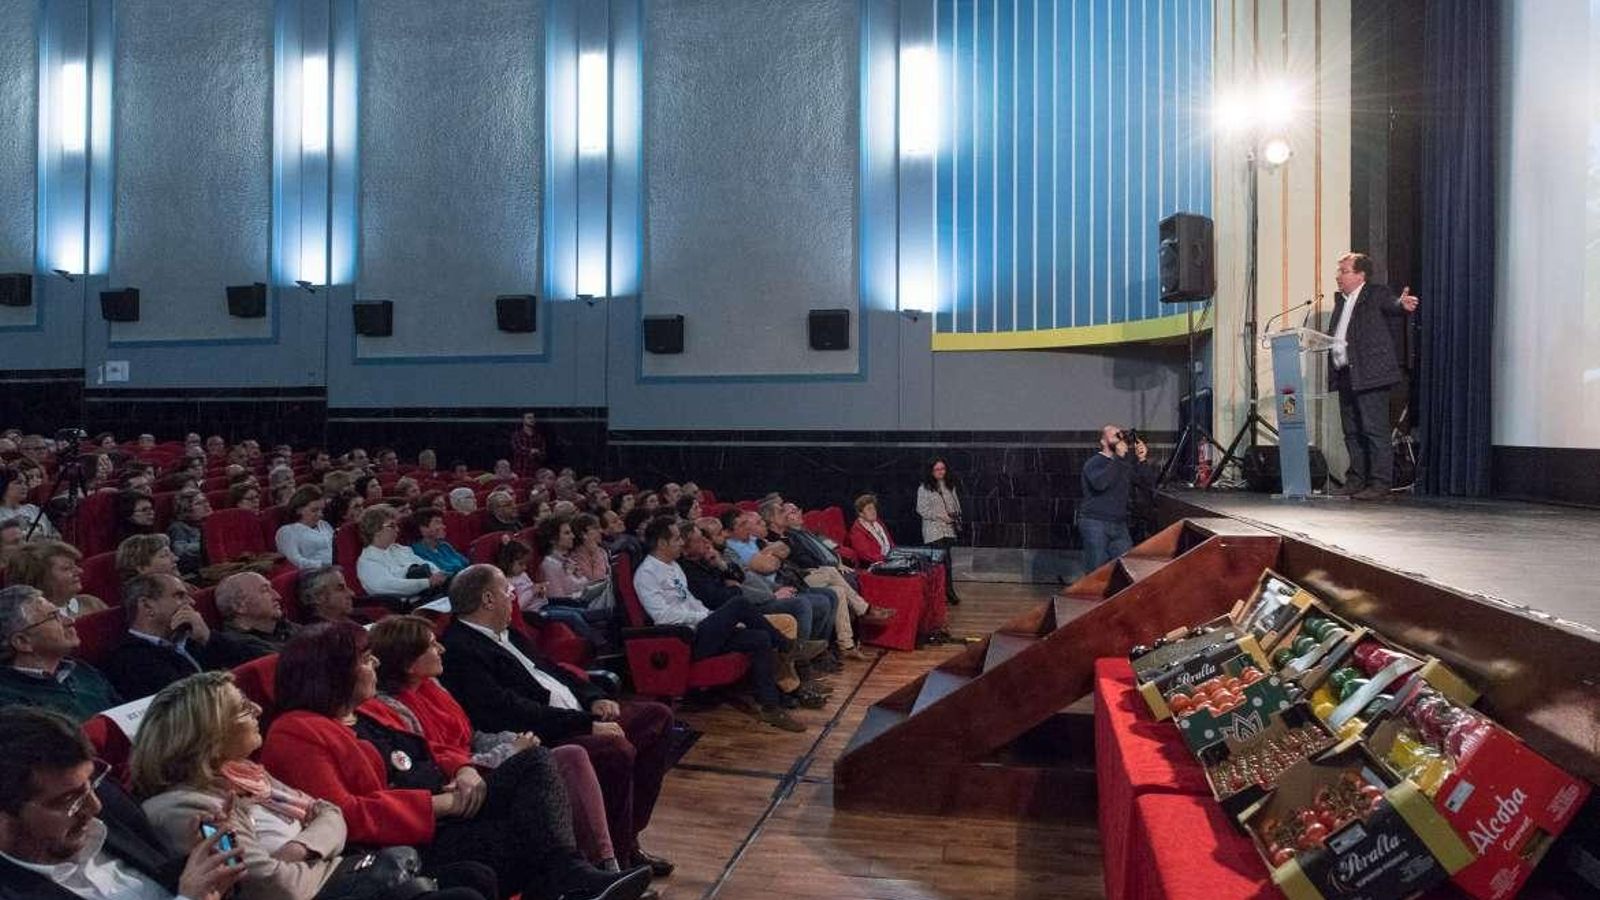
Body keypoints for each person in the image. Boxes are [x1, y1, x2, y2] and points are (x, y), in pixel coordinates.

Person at [261, 623, 650, 900]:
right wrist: (439, 804)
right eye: (365, 660)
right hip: (409, 835)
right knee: (531, 818)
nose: (375, 665)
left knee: (535, 766)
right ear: (332, 673)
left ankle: (571, 875)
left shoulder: (366, 711)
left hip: (448, 802)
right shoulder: (297, 731)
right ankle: (568, 878)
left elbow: (433, 750)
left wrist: (463, 770)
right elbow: (344, 814)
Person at [437, 565, 676, 877]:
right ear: (487, 600)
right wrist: (584, 724)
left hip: (577, 712)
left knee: (656, 717)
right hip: (545, 732)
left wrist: (593, 697)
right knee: (615, 750)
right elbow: (509, 710)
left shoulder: (508, 633)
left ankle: (628, 838)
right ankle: (615, 861)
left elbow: (554, 670)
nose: (513, 599)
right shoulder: (460, 648)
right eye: (507, 593)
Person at [365, 617, 623, 872]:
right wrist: (511, 751)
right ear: (410, 663)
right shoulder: (395, 709)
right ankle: (571, 871)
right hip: (462, 786)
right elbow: (439, 765)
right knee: (543, 761)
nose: (441, 649)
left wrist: (512, 741)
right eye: (433, 645)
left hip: (479, 764)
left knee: (571, 755)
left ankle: (605, 862)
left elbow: (472, 737)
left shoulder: (433, 687)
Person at [0, 707, 248, 900]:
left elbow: (165, 881)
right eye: (69, 801)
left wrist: (197, 864)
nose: (95, 807)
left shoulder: (111, 805)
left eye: (91, 783)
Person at [632, 518, 805, 732]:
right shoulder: (646, 573)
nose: (681, 543)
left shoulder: (673, 565)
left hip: (701, 629)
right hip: (682, 640)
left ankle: (770, 706)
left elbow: (692, 602)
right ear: (661, 543)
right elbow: (662, 616)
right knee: (739, 603)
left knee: (760, 639)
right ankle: (788, 645)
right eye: (676, 539)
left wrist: (716, 618)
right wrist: (707, 619)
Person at [1326, 251, 1421, 500]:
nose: (1339, 276)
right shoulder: (1342, 302)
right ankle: (1356, 480)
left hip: (1371, 376)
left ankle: (1380, 483)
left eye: (1344, 271)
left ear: (1361, 275)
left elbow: (1393, 305)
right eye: (1339, 271)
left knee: (1374, 430)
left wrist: (1402, 304)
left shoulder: (1375, 294)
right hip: (1345, 375)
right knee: (1352, 431)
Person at [0, 585, 121, 720]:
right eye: (54, 617)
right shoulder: (8, 703)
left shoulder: (83, 671)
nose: (70, 621)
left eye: (62, 613)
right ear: (22, 642)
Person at [103, 574, 229, 701]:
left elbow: (247, 657)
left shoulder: (192, 635)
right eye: (179, 596)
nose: (192, 602)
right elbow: (188, 701)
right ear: (147, 606)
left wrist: (208, 637)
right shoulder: (129, 659)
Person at [355, 505, 446, 604]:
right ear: (376, 530)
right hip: (407, 605)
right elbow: (386, 585)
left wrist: (437, 575)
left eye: (397, 526)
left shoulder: (400, 549)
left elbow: (427, 564)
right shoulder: (368, 560)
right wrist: (427, 582)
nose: (397, 530)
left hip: (431, 594)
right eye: (392, 526)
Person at [1079, 425, 1139, 573]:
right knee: (1096, 572)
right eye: (1114, 436)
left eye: (1120, 435)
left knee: (1128, 568)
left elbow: (1144, 482)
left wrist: (1142, 459)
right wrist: (1118, 457)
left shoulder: (1123, 463)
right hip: (1096, 523)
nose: (1120, 438)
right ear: (1103, 442)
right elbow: (1100, 484)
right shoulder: (1094, 463)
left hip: (1119, 525)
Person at [211, 572, 297, 666]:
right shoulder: (241, 648)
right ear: (239, 606)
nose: (277, 596)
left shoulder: (286, 627)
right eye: (265, 590)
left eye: (272, 588)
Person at [7, 540, 108, 617]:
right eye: (67, 568)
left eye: (75, 565)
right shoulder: (28, 622)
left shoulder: (91, 604)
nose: (80, 571)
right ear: (41, 578)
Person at [914, 459, 964, 605]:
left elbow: (955, 504)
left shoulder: (949, 485)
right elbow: (921, 509)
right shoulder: (924, 488)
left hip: (948, 529)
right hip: (933, 530)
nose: (940, 472)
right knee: (942, 562)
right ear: (931, 471)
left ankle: (945, 592)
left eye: (942, 468)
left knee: (946, 562)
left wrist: (955, 515)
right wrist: (940, 516)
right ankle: (945, 593)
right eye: (937, 469)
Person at [275, 486, 334, 571]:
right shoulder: (287, 532)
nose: (321, 514)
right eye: (314, 510)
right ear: (299, 510)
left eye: (322, 510)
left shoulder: (324, 525)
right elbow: (295, 561)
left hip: (335, 568)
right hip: (313, 574)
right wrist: (323, 565)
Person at [0, 466, 56, 540]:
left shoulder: (34, 509)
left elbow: (54, 535)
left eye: (25, 483)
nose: (25, 487)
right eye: (18, 483)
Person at [412, 507, 471, 576]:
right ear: (423, 528)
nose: (444, 527)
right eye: (437, 523)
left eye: (442, 523)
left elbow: (466, 563)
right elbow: (440, 573)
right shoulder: (417, 551)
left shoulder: (444, 546)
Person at [298, 565, 362, 626]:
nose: (351, 593)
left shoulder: (359, 617)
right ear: (318, 597)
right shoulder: (320, 635)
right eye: (340, 589)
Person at [165, 487, 210, 575]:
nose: (206, 505)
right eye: (199, 503)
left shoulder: (215, 522)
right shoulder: (178, 527)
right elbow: (180, 551)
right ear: (186, 510)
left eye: (206, 501)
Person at [114, 534, 181, 582]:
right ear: (142, 568)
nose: (176, 558)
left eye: (171, 553)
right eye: (165, 555)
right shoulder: (151, 599)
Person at [511, 411, 547, 478]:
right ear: (523, 420)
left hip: (535, 473)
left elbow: (543, 454)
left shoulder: (539, 437)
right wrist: (531, 451)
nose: (532, 420)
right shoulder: (517, 435)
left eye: (533, 418)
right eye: (529, 418)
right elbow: (518, 449)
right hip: (520, 472)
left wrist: (537, 453)